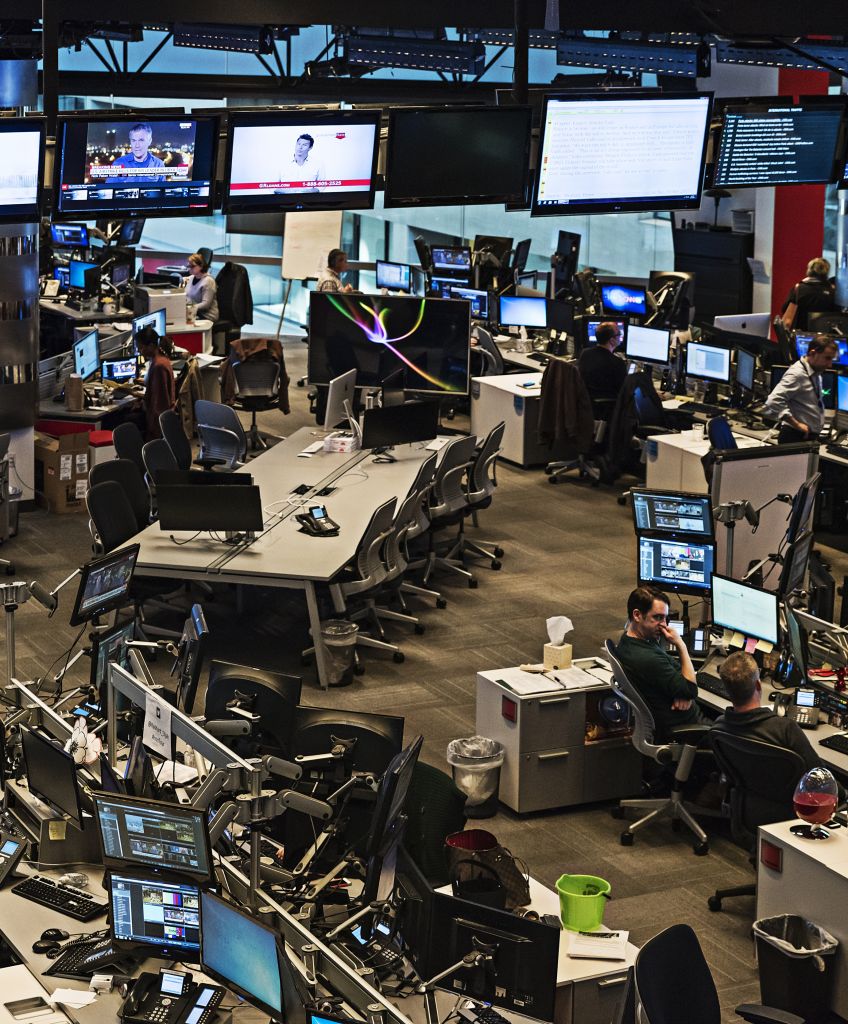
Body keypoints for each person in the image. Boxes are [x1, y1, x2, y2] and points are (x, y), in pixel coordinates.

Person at [710, 651, 829, 777]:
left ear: (726, 689)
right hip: (785, 796)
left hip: (745, 794)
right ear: (758, 685)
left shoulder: (719, 726)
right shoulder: (785, 730)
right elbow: (822, 778)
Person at [616, 585, 704, 740]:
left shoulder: (631, 641)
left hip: (680, 720)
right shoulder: (647, 658)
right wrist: (681, 645)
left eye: (665, 618)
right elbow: (690, 689)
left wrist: (682, 691)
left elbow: (675, 669)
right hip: (689, 730)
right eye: (657, 617)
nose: (664, 624)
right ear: (637, 615)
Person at [763, 334, 838, 444]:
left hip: (807, 436)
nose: (830, 364)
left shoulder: (815, 371)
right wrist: (796, 424)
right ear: (812, 353)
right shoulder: (797, 374)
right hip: (795, 436)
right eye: (827, 358)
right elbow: (773, 401)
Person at [136, 324, 175, 440]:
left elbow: (159, 404)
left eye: (141, 347)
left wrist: (153, 434)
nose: (139, 351)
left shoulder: (158, 366)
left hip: (157, 424)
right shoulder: (161, 358)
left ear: (152, 345)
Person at [578, 322, 628, 407]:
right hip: (606, 408)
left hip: (585, 405)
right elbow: (624, 392)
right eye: (619, 334)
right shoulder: (617, 363)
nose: (621, 336)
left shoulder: (585, 353)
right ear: (612, 340)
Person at [781, 257, 836, 331]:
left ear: (809, 269)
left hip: (801, 335)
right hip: (824, 337)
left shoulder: (798, 288)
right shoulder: (832, 291)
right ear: (826, 271)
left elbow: (787, 317)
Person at [185, 253, 219, 323]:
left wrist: (188, 308)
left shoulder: (208, 281)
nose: (189, 268)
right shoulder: (191, 278)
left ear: (201, 266)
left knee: (183, 322)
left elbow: (205, 305)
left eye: (192, 266)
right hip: (194, 313)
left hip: (207, 316)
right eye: (189, 266)